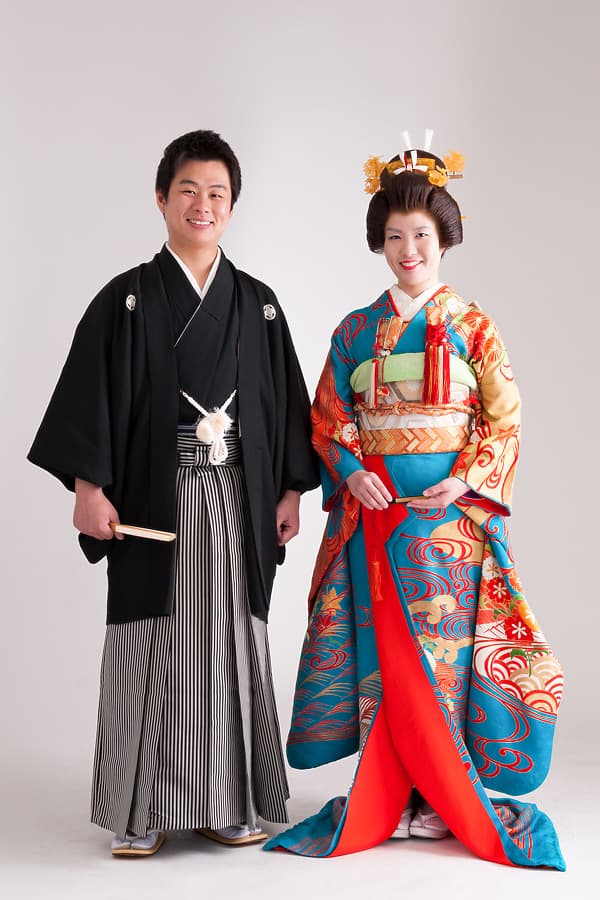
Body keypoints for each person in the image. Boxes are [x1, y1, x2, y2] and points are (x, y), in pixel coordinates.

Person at [264, 139, 565, 869]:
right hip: (378, 517)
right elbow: (327, 420)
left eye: (421, 236)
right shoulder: (354, 331)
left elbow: (504, 420)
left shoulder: (474, 327)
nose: (408, 251)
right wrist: (351, 472)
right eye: (395, 236)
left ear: (444, 239)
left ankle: (437, 792)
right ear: (381, 242)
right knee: (381, 657)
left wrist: (465, 479)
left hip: (449, 521)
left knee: (445, 658)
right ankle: (391, 791)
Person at [28, 129, 319, 858]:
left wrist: (290, 488)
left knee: (230, 640)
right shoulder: (125, 300)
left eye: (217, 193)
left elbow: (285, 405)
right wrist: (88, 486)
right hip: (153, 504)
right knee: (150, 644)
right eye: (188, 189)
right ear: (161, 198)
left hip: (239, 499)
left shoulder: (257, 304)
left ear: (232, 206)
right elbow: (89, 398)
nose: (202, 204)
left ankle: (229, 802)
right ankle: (142, 811)